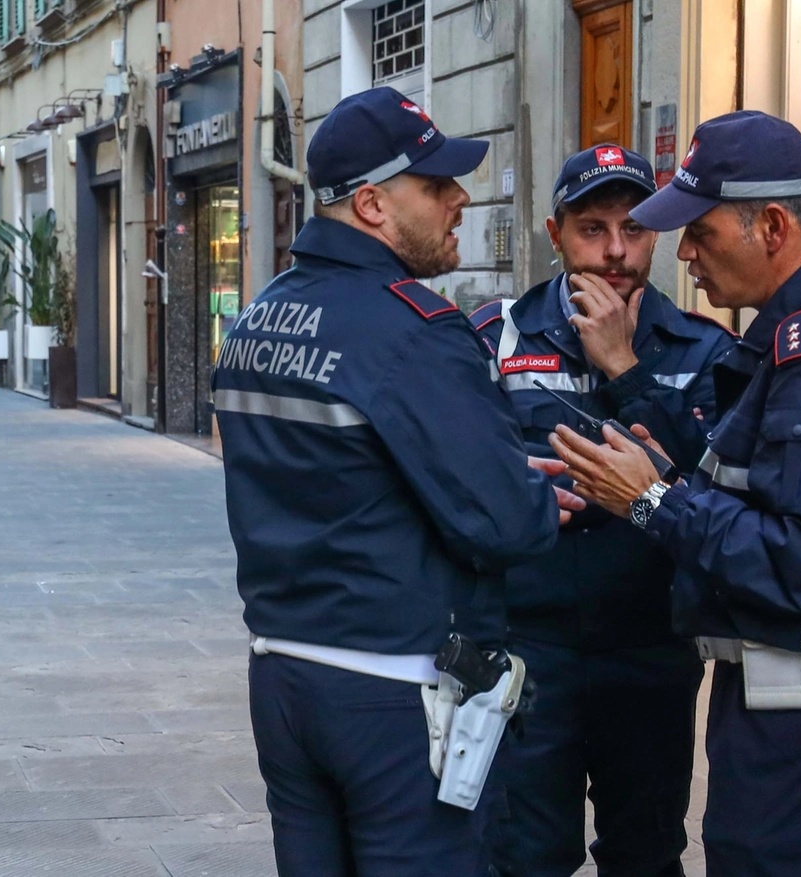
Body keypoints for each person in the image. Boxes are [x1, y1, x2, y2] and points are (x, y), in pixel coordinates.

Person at [548, 111, 801, 877]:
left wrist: (652, 499)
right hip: (791, 691)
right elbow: (759, 494)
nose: (683, 253)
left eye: (701, 231)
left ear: (771, 225)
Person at [212, 86, 581, 877]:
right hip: (394, 691)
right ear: (373, 204)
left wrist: (484, 471)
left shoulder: (256, 321)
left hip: (283, 674)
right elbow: (504, 525)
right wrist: (527, 494)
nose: (460, 199)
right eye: (437, 184)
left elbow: (346, 472)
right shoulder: (412, 329)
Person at [469, 144, 736, 877]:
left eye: (636, 228)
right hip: (531, 653)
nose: (617, 251)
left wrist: (625, 367)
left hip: (649, 651)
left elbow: (717, 488)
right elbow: (459, 485)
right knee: (525, 855)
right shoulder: (497, 339)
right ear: (555, 235)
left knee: (647, 855)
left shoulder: (706, 351)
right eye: (593, 228)